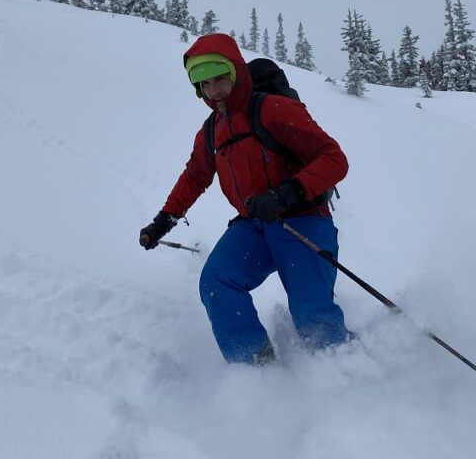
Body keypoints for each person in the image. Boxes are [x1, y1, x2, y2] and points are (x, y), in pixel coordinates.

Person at [139, 33, 352, 364]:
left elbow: (334, 159)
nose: (214, 90)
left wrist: (285, 193)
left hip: (302, 219)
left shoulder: (274, 109)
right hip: (253, 225)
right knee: (217, 281)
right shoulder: (212, 130)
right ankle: (256, 366)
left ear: (236, 71)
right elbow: (195, 176)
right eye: (204, 84)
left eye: (220, 78)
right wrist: (163, 220)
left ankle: (348, 374)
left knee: (311, 311)